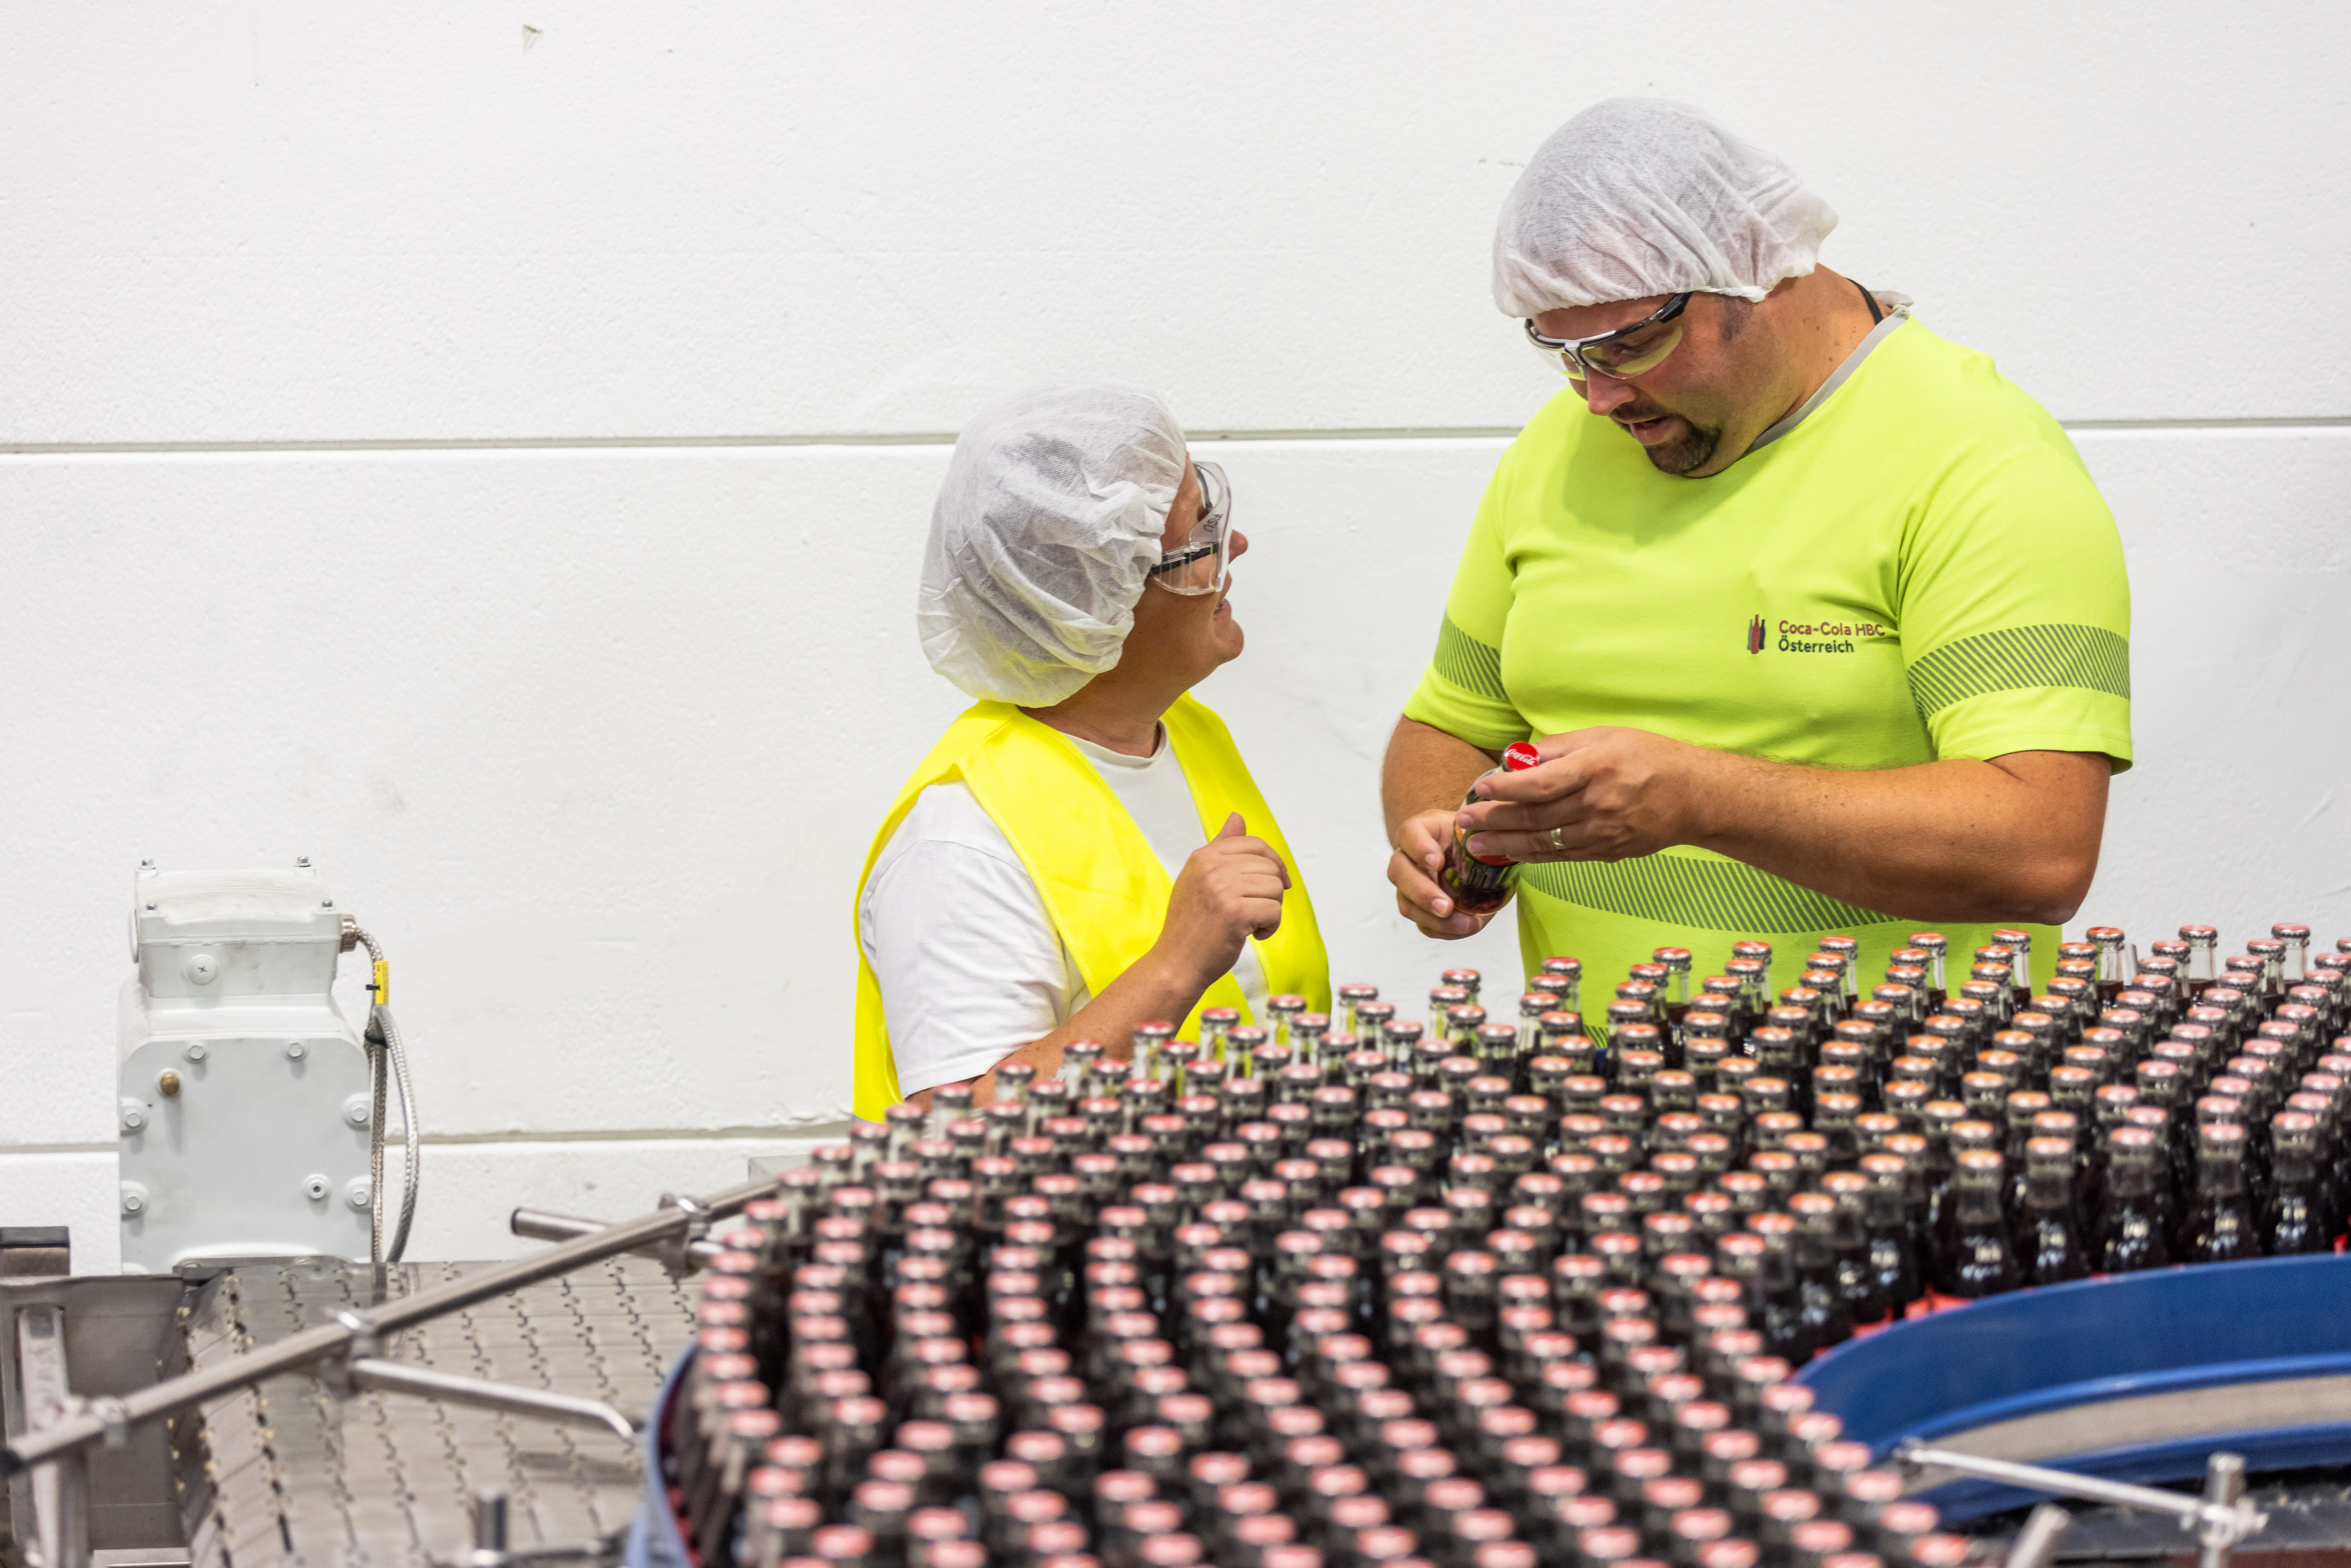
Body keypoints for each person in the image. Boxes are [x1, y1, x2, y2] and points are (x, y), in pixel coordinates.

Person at [1385, 98, 2131, 986]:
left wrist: (1701, 800)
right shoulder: (1560, 445)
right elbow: (1453, 723)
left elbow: (2042, 853)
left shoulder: (1981, 462)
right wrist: (1443, 834)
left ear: (1756, 268)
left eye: (1633, 344)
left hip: (1900, 1066)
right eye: (1566, 354)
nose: (1599, 398)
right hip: (1587, 1063)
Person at [852, 381, 1330, 1116]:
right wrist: (1174, 967)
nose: (1233, 545)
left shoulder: (1188, 737)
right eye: (1199, 532)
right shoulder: (960, 843)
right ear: (1096, 598)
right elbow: (956, 1133)